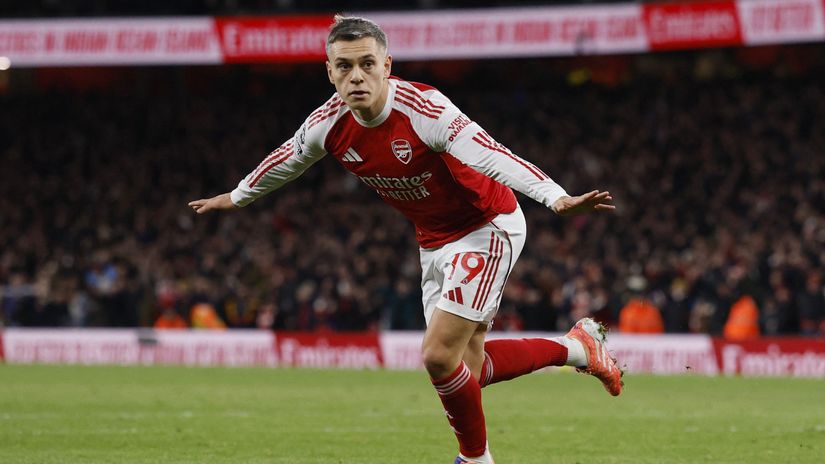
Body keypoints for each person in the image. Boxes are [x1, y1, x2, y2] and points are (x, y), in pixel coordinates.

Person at [189, 15, 623, 464]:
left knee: (437, 356)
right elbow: (288, 158)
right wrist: (237, 197)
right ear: (329, 71)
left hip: (487, 225)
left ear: (387, 65)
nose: (356, 76)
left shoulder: (425, 110)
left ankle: (475, 459)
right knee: (465, 373)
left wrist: (554, 197)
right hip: (433, 241)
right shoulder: (328, 123)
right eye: (344, 66)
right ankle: (578, 348)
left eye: (367, 64)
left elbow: (492, 154)